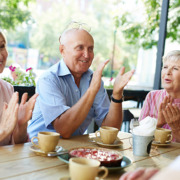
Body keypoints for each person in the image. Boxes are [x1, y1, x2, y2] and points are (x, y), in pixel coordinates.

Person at [28, 22, 134, 139]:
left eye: (90, 49)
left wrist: (117, 95)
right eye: (80, 48)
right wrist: (92, 90)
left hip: (71, 150)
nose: (87, 55)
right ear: (62, 50)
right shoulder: (48, 79)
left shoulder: (92, 79)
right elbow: (64, 130)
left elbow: (110, 128)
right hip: (37, 150)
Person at [0, 31, 38, 145]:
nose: (0, 55)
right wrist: (3, 131)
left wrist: (21, 125)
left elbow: (17, 143)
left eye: (2, 46)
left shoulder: (7, 89)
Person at [139, 50, 180, 142]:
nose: (168, 72)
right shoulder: (152, 96)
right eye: (165, 67)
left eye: (175, 68)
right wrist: (159, 123)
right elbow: (139, 136)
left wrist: (177, 128)